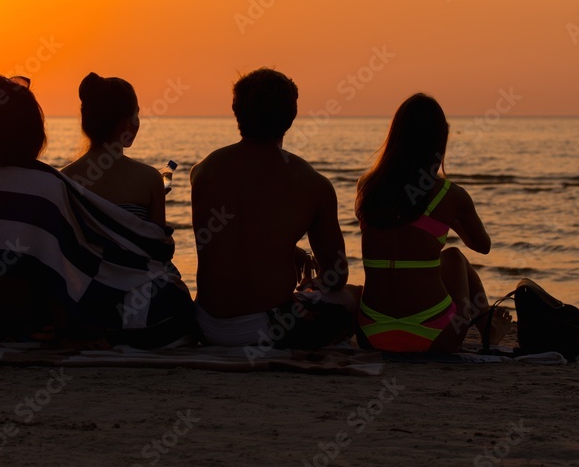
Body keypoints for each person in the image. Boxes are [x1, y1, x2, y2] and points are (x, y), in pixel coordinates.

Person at [0, 73, 194, 348]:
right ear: (31, 130)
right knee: (174, 302)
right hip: (39, 326)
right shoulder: (45, 185)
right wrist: (64, 326)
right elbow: (61, 263)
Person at [191, 68, 355, 350]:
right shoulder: (313, 184)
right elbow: (336, 275)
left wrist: (284, 250)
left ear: (235, 110)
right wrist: (307, 284)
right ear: (291, 117)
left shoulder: (203, 171)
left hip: (206, 325)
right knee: (351, 301)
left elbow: (233, 233)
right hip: (269, 329)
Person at [354, 93, 511, 353]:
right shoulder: (451, 195)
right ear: (439, 141)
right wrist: (451, 219)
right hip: (436, 335)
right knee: (455, 256)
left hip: (371, 333)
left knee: (417, 265)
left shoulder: (368, 187)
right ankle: (489, 332)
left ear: (395, 136)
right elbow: (482, 246)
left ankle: (486, 330)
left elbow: (398, 233)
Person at [62, 73, 166, 225]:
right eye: (136, 114)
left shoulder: (64, 179)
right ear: (127, 124)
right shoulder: (149, 179)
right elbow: (160, 246)